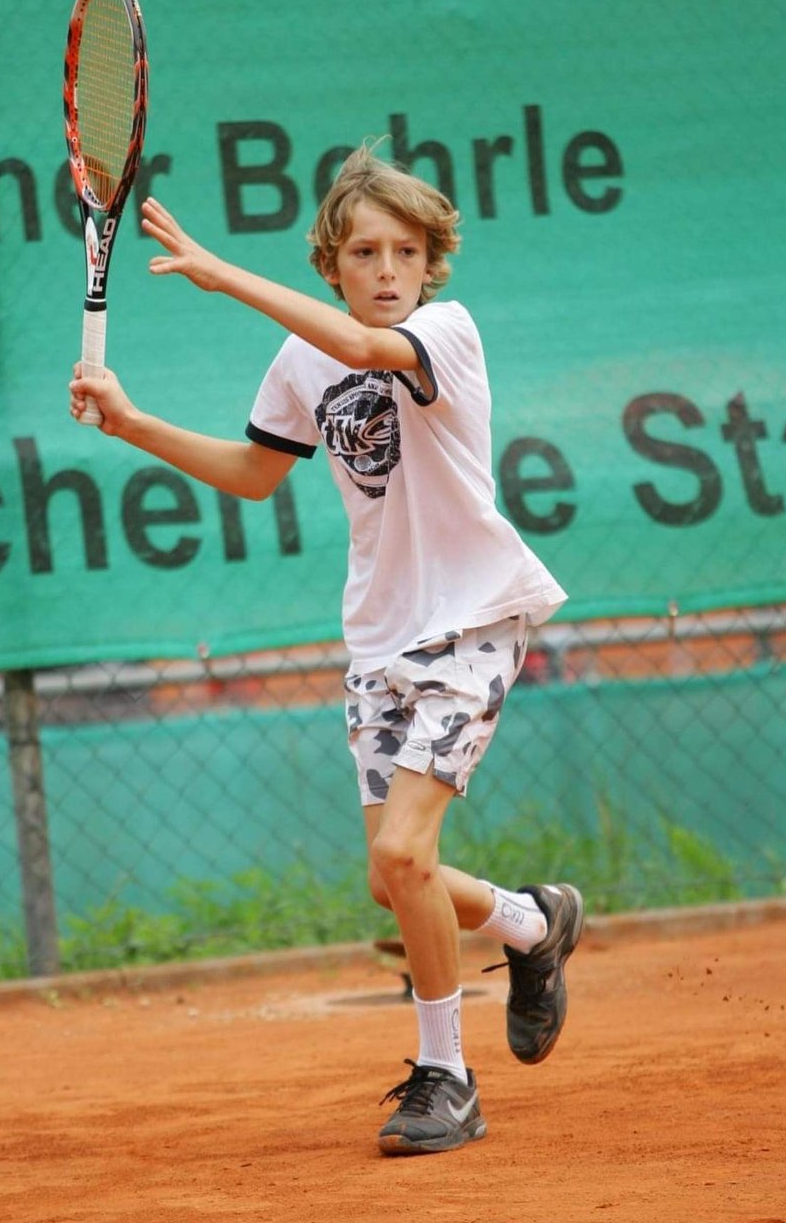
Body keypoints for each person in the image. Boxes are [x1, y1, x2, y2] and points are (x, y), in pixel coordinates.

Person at [69, 141, 583, 1156]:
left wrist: (221, 276)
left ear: (429, 260)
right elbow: (255, 471)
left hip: (471, 620)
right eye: (362, 252)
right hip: (377, 636)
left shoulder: (446, 329)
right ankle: (532, 922)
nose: (386, 269)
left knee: (403, 850)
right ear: (332, 261)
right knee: (394, 878)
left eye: (403, 250)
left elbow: (369, 347)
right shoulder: (304, 358)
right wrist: (132, 424)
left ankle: (447, 1076)